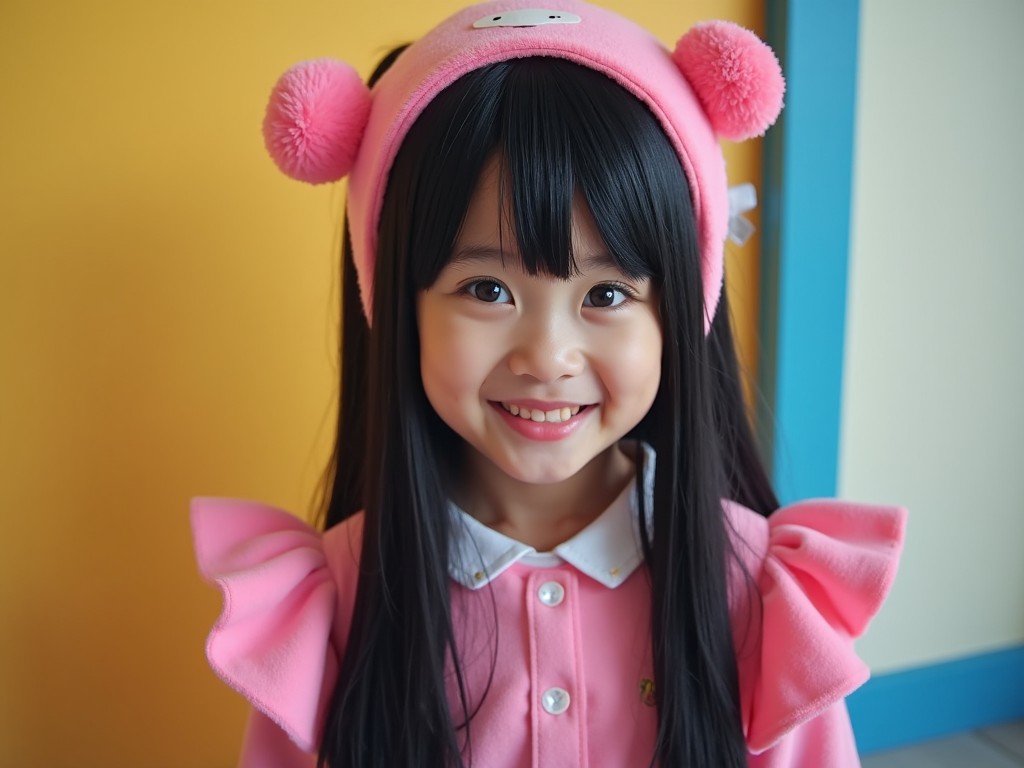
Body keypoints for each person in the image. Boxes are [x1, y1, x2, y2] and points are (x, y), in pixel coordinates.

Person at [191, 1, 906, 766]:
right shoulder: (335, 602)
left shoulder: (756, 591)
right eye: (486, 290)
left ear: (680, 311)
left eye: (606, 295)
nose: (546, 356)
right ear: (401, 304)